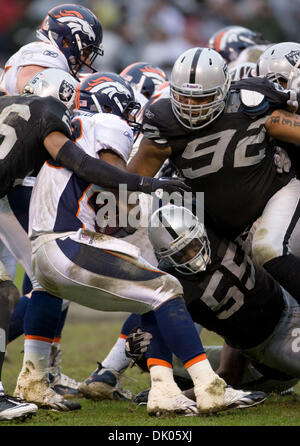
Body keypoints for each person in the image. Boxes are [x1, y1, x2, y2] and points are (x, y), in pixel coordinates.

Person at [19, 71, 263, 417]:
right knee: (166, 287)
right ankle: (210, 388)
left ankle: (36, 379)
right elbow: (119, 193)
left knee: (74, 294)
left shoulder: (70, 128)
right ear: (115, 101)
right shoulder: (106, 124)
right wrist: (156, 194)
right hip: (68, 243)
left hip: (42, 250)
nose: (133, 118)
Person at [0, 68, 188, 414]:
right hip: (61, 229)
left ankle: (30, 380)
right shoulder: (52, 116)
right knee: (4, 293)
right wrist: (147, 187)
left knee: (33, 286)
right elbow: (85, 165)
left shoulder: (11, 105)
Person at [127, 46, 300, 303]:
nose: (190, 107)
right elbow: (130, 184)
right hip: (234, 232)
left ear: (223, 92)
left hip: (280, 198)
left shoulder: (250, 103)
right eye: (183, 97)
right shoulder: (163, 124)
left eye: (200, 99)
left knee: (269, 247)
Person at [125, 204, 300, 403]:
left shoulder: (215, 225)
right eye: (181, 255)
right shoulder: (174, 287)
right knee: (146, 347)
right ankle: (172, 393)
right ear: (165, 258)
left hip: (286, 295)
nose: (192, 257)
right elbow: (229, 371)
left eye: (193, 246)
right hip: (269, 347)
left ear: (199, 230)